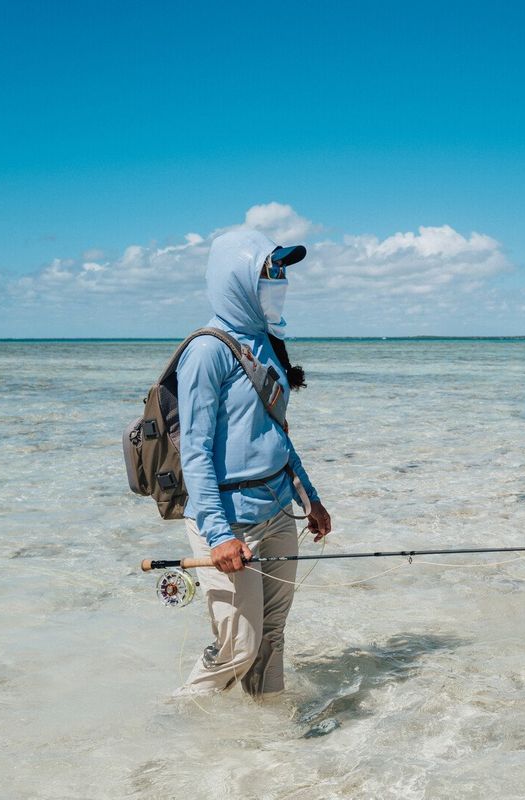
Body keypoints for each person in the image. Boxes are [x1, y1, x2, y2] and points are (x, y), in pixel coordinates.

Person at [176, 228, 332, 698]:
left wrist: (312, 499)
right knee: (237, 648)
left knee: (272, 636)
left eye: (282, 271)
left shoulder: (267, 342)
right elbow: (195, 452)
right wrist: (219, 535)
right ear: (237, 278)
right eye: (270, 270)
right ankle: (175, 724)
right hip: (228, 522)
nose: (279, 280)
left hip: (280, 511)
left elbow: (277, 436)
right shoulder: (206, 351)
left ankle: (267, 742)